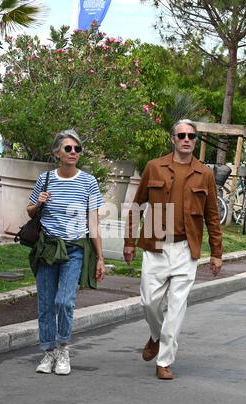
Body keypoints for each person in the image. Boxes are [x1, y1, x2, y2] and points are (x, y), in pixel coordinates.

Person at [123, 119, 223, 380]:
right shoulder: (154, 167)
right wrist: (129, 242)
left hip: (185, 249)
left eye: (191, 135)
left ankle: (164, 361)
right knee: (149, 301)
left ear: (195, 139)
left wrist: (216, 253)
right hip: (155, 247)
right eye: (182, 135)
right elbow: (137, 206)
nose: (187, 139)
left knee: (177, 309)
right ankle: (156, 336)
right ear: (173, 139)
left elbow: (212, 215)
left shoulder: (205, 173)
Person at [27, 129, 105, 375]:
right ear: (57, 153)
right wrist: (39, 201)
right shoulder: (46, 179)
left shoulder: (88, 181)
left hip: (74, 250)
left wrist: (100, 257)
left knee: (64, 301)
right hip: (47, 248)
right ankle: (48, 352)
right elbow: (29, 211)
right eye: (68, 149)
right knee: (45, 302)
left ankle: (63, 349)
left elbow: (93, 222)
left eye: (77, 149)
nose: (73, 153)